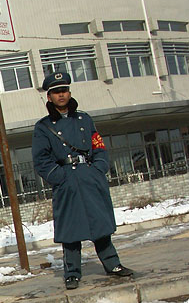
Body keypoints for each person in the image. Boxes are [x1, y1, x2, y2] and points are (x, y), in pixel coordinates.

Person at [32, 71, 133, 289]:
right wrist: (61, 178)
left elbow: (98, 146)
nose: (61, 95)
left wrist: (98, 169)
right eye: (56, 92)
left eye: (64, 90)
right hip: (67, 180)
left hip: (89, 176)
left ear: (69, 93)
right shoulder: (43, 126)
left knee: (100, 224)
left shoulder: (84, 119)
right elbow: (41, 161)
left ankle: (113, 265)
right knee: (71, 229)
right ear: (49, 97)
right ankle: (72, 273)